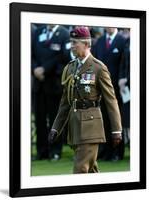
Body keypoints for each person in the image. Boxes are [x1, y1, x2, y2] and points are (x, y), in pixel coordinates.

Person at [48, 26, 122, 173]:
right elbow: (65, 102)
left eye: (76, 42)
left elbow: (111, 100)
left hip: (91, 128)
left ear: (87, 44)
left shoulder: (98, 68)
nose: (72, 46)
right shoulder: (70, 68)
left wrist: (116, 130)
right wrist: (56, 127)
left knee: (80, 170)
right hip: (74, 128)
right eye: (71, 42)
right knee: (91, 171)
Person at [32, 24, 71, 160]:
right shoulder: (37, 32)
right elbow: (30, 54)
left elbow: (63, 58)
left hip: (54, 84)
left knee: (55, 120)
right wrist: (35, 69)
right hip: (39, 83)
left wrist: (44, 69)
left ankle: (55, 150)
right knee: (40, 120)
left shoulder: (65, 34)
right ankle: (41, 151)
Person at [93, 27, 127, 161]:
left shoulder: (122, 41)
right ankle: (105, 152)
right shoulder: (100, 41)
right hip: (100, 89)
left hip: (116, 90)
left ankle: (117, 152)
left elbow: (124, 65)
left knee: (116, 122)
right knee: (103, 121)